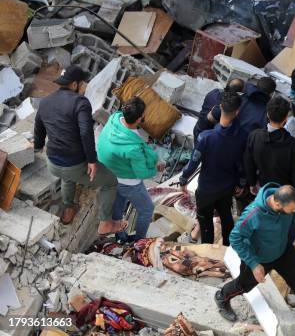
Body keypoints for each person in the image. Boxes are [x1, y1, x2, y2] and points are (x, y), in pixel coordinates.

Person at [215, 184, 295, 336]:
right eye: (290, 209)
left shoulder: (288, 200)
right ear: (277, 204)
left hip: (283, 252)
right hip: (259, 258)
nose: (294, 211)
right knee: (243, 286)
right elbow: (235, 238)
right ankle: (221, 296)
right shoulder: (253, 214)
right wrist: (253, 264)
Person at [33, 65, 121, 235]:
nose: (85, 86)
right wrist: (92, 161)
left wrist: (37, 146)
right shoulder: (80, 102)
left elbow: (39, 128)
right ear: (74, 84)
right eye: (83, 83)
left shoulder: (45, 101)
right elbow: (86, 132)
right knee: (110, 181)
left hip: (53, 163)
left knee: (67, 176)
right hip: (72, 165)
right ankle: (105, 223)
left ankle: (68, 206)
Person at [179, 91, 248, 246]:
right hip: (227, 186)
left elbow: (194, 162)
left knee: (205, 221)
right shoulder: (243, 136)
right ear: (237, 112)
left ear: (220, 107)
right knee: (226, 215)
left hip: (207, 188)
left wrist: (183, 179)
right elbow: (242, 163)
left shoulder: (206, 137)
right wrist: (241, 183)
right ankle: (227, 246)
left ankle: (207, 247)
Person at [244, 96, 295, 249]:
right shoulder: (293, 144)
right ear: (286, 118)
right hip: (286, 194)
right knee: (287, 229)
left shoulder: (254, 136)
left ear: (267, 114)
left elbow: (248, 161)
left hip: (265, 190)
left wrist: (252, 182)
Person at [97, 97, 165, 241]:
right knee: (147, 210)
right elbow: (142, 173)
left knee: (119, 204)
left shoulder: (115, 118)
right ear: (140, 118)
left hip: (109, 173)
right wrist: (155, 170)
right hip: (127, 182)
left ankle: (120, 236)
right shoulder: (133, 148)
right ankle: (138, 241)